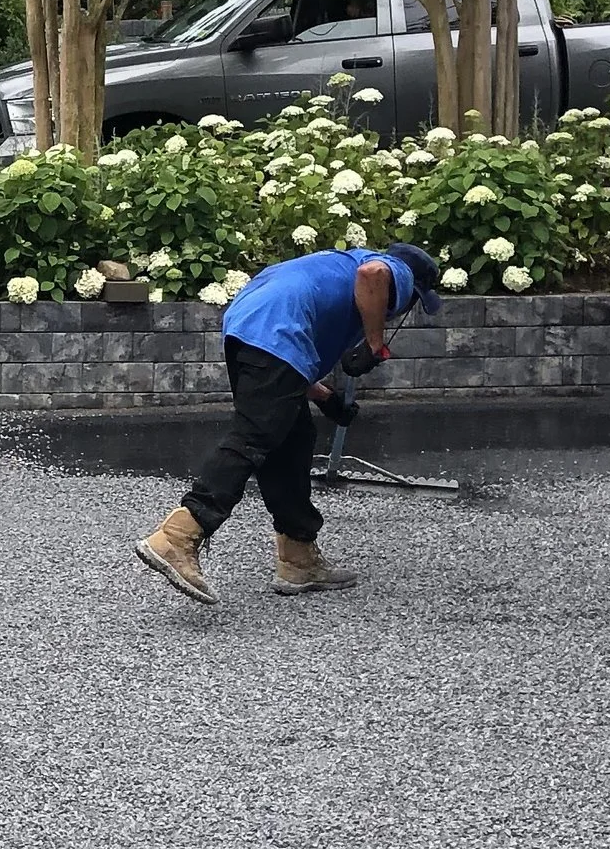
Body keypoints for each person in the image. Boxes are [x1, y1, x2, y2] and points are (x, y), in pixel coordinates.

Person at [135, 240, 444, 604]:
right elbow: (373, 275)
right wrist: (376, 345)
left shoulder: (333, 265)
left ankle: (298, 557)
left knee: (292, 440)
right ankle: (179, 535)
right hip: (276, 333)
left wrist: (325, 397)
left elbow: (282, 362)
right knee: (256, 435)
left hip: (249, 325)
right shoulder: (388, 268)